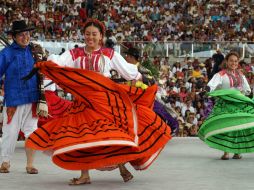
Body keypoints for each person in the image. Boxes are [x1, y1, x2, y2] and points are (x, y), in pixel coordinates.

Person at [25, 18, 171, 185]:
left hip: (106, 101)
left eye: (94, 34)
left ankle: (122, 164)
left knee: (115, 133)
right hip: (82, 103)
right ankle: (85, 174)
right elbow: (57, 62)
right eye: (87, 34)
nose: (90, 37)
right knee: (82, 137)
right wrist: (46, 64)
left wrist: (141, 76)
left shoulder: (109, 54)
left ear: (101, 36)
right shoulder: (75, 53)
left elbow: (128, 72)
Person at [198, 51, 254, 160]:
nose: (233, 63)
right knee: (225, 126)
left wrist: (244, 95)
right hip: (225, 104)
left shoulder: (240, 74)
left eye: (235, 61)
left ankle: (237, 151)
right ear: (227, 62)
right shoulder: (221, 74)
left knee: (238, 127)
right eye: (231, 61)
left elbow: (247, 89)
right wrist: (206, 90)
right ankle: (226, 151)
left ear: (238, 63)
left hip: (239, 103)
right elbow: (211, 85)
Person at [0, 20, 39, 174]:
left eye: (27, 34)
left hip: (32, 97)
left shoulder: (34, 51)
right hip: (14, 99)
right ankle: (5, 162)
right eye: (21, 35)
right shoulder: (6, 53)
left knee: (32, 131)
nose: (25, 37)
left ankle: (30, 165)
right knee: (10, 131)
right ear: (14, 37)